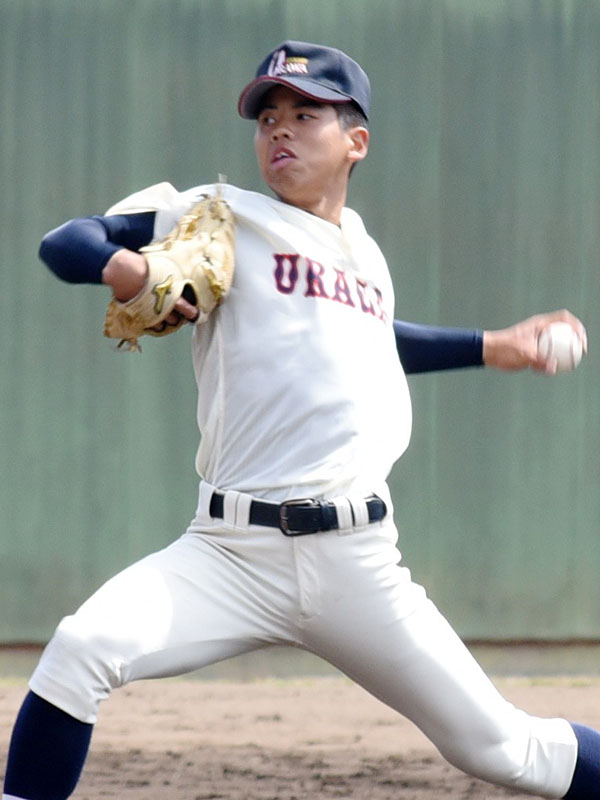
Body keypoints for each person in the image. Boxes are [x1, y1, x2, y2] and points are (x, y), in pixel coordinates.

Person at [2, 40, 595, 800]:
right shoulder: (221, 217)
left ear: (356, 141)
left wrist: (491, 346)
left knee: (504, 749)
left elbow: (365, 344)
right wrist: (130, 269)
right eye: (267, 117)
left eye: (305, 114)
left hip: (357, 562)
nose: (279, 128)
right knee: (80, 649)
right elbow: (65, 243)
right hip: (228, 554)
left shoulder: (365, 255)